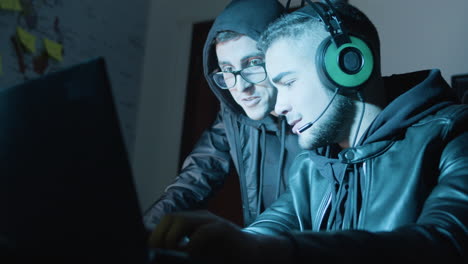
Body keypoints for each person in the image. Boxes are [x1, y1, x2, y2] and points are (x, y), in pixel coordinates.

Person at [148, 1, 468, 263]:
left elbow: (447, 242)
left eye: (287, 82)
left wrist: (266, 251)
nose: (280, 105)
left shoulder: (453, 135)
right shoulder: (311, 165)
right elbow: (269, 228)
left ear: (348, 65)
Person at [143, 0, 301, 231]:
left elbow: (302, 201)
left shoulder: (316, 116)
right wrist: (145, 231)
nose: (241, 87)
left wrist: (250, 242)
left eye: (254, 63)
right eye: (228, 70)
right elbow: (194, 180)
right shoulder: (233, 117)